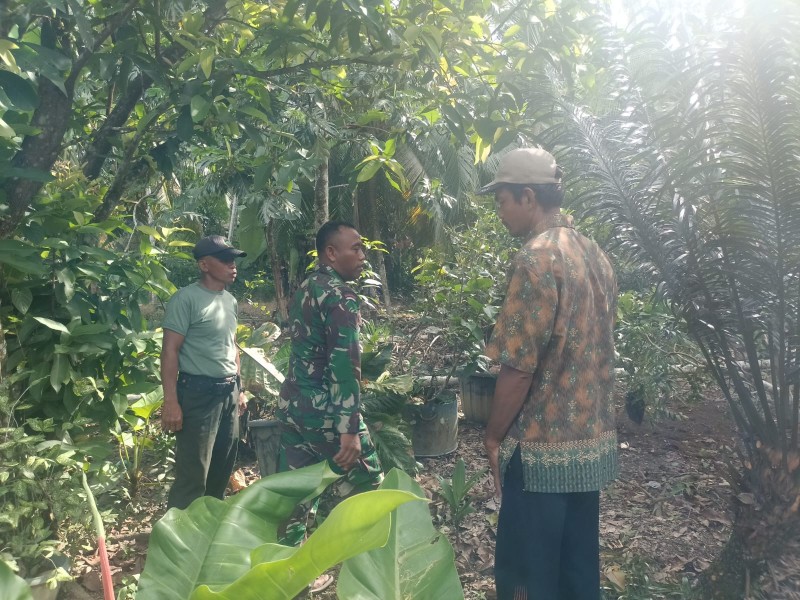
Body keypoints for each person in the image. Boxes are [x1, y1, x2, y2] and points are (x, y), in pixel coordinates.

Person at [478, 148, 618, 600]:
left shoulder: (535, 259)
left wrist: (494, 436)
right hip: (590, 448)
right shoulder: (595, 254)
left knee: (527, 578)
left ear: (527, 197)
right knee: (577, 573)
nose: (499, 210)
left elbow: (518, 368)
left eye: (501, 200)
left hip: (541, 453)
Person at [276, 221, 384, 536]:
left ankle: (288, 578)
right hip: (325, 412)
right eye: (356, 248)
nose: (363, 255)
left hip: (293, 405)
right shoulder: (341, 297)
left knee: (295, 497)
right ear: (331, 253)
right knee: (371, 487)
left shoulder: (308, 287)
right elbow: (345, 367)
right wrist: (349, 430)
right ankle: (370, 572)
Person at [160, 235, 248, 510]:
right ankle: (179, 540)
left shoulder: (230, 301)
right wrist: (171, 401)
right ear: (204, 265)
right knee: (193, 473)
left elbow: (232, 346)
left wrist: (240, 389)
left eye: (233, 260)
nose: (232, 266)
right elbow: (170, 351)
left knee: (221, 467)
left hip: (228, 393)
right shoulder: (185, 300)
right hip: (198, 394)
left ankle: (208, 530)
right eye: (225, 260)